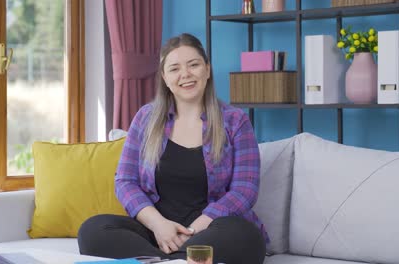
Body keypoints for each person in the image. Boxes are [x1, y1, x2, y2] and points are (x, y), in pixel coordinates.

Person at [78, 33, 268, 264]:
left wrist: (196, 227)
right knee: (92, 230)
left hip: (210, 229)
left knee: (246, 238)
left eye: (194, 65)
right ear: (165, 78)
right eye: (175, 68)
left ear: (207, 70)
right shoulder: (145, 118)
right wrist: (159, 225)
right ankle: (179, 261)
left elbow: (245, 189)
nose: (185, 74)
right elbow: (125, 181)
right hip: (157, 231)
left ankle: (158, 261)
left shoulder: (235, 121)